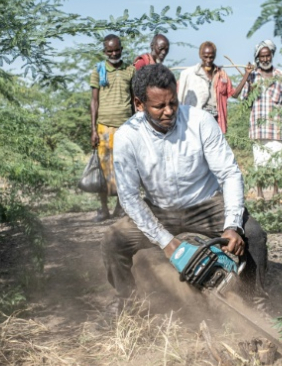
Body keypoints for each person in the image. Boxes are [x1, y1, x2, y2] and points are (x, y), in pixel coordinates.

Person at [102, 63, 268, 312]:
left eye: (173, 103)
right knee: (112, 241)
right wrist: (166, 241)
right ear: (139, 104)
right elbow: (129, 197)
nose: (169, 111)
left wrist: (232, 226)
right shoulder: (127, 136)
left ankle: (255, 300)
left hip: (206, 204)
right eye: (159, 106)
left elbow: (229, 173)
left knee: (254, 235)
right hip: (158, 210)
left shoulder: (200, 121)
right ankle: (129, 302)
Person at [239, 40, 282, 199]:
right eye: (262, 56)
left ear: (272, 55)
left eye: (268, 56)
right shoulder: (252, 76)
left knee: (277, 163)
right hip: (258, 128)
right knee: (259, 162)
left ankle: (276, 193)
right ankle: (259, 194)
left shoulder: (280, 76)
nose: (265, 59)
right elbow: (244, 101)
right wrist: (249, 83)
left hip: (277, 127)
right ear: (258, 58)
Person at [89, 34, 136, 222]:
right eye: (110, 51)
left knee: (124, 168)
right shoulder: (98, 71)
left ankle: (120, 208)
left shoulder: (130, 70)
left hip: (125, 127)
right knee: (102, 169)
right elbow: (94, 101)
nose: (114, 53)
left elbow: (134, 100)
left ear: (121, 49)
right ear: (104, 52)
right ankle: (103, 209)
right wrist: (93, 129)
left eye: (117, 50)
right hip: (104, 127)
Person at [177, 41, 251, 134]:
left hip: (215, 120)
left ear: (215, 56)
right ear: (200, 55)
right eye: (205, 57)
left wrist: (246, 74)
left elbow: (235, 94)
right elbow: (177, 93)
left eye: (211, 57)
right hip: (196, 120)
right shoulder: (191, 74)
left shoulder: (221, 75)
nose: (208, 60)